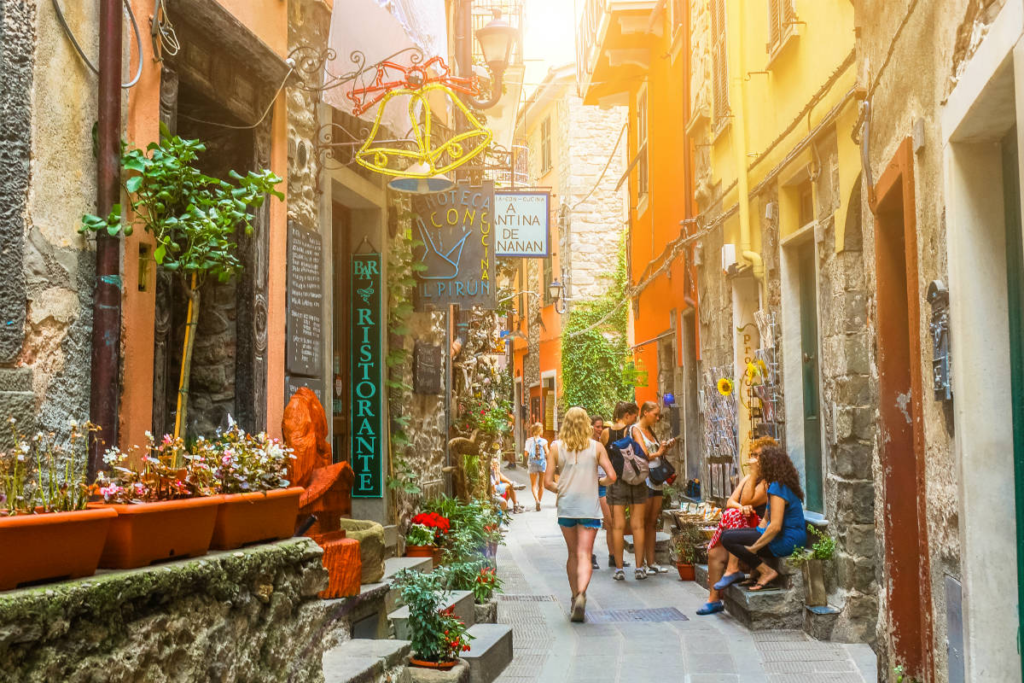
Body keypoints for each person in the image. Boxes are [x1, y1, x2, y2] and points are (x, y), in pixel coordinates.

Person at [544, 406, 616, 623]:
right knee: (585, 553)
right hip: (589, 507)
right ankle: (583, 593)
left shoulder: (556, 448)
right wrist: (599, 483)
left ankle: (575, 596)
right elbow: (612, 475)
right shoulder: (596, 447)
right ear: (586, 424)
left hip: (567, 507)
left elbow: (548, 482)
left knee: (572, 554)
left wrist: (563, 488)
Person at [696, 436, 773, 615]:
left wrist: (753, 476)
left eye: (758, 456)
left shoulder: (767, 482)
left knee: (733, 516)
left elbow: (748, 500)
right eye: (752, 454)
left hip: (757, 529)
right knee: (715, 552)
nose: (753, 459)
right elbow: (732, 501)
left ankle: (733, 568)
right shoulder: (748, 479)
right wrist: (742, 507)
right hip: (740, 525)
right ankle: (713, 599)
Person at [719, 445, 807, 591]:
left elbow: (775, 526)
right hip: (779, 536)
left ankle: (767, 572)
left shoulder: (778, 487)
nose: (755, 464)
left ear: (769, 465)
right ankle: (757, 570)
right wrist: (751, 537)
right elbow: (765, 520)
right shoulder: (774, 485)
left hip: (788, 540)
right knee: (728, 535)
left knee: (729, 539)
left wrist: (754, 548)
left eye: (759, 461)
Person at [632, 401, 676, 576]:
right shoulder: (636, 430)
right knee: (642, 522)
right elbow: (643, 455)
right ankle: (641, 562)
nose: (657, 418)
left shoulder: (651, 431)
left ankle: (652, 561)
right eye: (655, 414)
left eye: (659, 415)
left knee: (652, 521)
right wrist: (660, 452)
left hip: (656, 479)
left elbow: (656, 455)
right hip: (645, 479)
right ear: (644, 412)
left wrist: (664, 449)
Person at [602, 401, 642, 580]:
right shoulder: (633, 431)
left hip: (615, 481)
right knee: (637, 525)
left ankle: (619, 569)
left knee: (617, 526)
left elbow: (602, 457)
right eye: (635, 415)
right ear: (627, 415)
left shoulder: (605, 433)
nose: (636, 418)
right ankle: (640, 567)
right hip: (635, 481)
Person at [590, 415, 607, 570]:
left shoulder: (605, 442)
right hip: (591, 485)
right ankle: (590, 554)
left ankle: (614, 556)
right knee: (593, 522)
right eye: (597, 427)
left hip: (604, 483)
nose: (600, 430)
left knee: (609, 520)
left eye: (602, 427)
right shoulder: (589, 445)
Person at [524, 423, 549, 511]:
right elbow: (548, 453)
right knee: (541, 484)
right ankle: (540, 502)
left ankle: (537, 500)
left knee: (533, 485)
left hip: (532, 463)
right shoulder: (544, 441)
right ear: (540, 431)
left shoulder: (529, 441)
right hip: (542, 463)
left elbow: (526, 453)